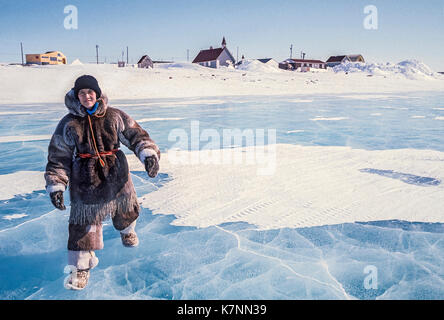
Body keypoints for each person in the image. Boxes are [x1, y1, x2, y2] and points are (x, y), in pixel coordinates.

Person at [45, 75, 160, 290]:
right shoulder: (69, 123)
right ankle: (80, 268)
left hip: (116, 171)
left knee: (126, 208)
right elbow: (58, 155)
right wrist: (57, 184)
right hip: (85, 178)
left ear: (97, 94)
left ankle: (127, 231)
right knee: (82, 224)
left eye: (90, 92)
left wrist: (148, 154)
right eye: (82, 93)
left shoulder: (114, 116)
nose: (87, 96)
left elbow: (135, 134)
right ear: (76, 96)